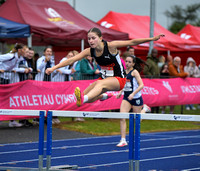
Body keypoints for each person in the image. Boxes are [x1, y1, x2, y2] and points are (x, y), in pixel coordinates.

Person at [46, 27, 165, 107]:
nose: (91, 41)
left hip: (119, 79)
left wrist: (152, 39)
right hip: (105, 79)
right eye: (89, 39)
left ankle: (86, 98)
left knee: (97, 86)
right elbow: (71, 59)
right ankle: (103, 96)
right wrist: (53, 68)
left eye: (93, 38)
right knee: (85, 97)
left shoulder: (111, 46)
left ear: (100, 38)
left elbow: (132, 42)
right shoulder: (89, 51)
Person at [116, 55, 151, 147]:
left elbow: (141, 85)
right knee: (122, 117)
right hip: (127, 97)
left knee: (137, 119)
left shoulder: (135, 72)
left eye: (129, 62)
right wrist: (120, 91)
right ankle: (123, 139)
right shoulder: (123, 72)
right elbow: (124, 84)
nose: (127, 64)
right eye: (126, 61)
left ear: (133, 64)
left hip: (136, 98)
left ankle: (144, 110)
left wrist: (133, 94)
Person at [0, 43, 27, 127]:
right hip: (1, 78)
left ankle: (11, 121)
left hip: (8, 79)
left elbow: (14, 68)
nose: (26, 51)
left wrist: (22, 70)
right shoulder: (10, 56)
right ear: (19, 50)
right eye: (24, 50)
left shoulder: (19, 58)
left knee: (7, 99)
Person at [143, 48, 160, 113]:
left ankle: (157, 111)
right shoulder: (149, 61)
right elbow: (145, 71)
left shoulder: (155, 61)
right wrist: (152, 76)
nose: (155, 54)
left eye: (156, 53)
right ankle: (151, 111)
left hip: (157, 81)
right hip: (152, 81)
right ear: (151, 53)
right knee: (152, 97)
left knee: (157, 97)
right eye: (154, 53)